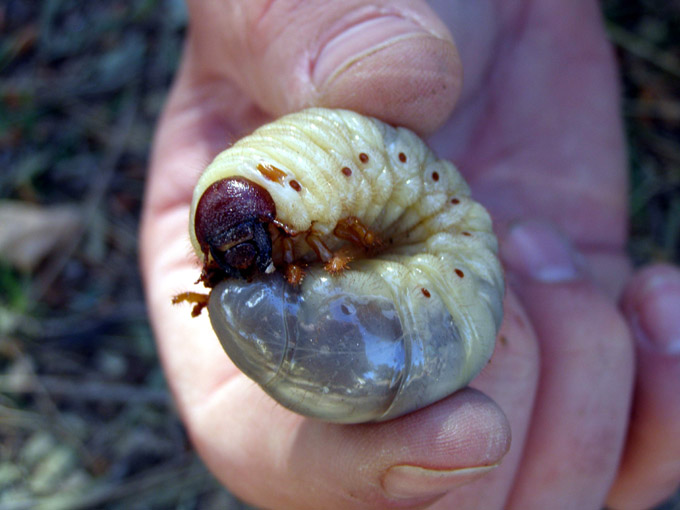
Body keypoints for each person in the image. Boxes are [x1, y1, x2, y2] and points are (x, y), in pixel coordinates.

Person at [140, 1, 680, 508]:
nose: (266, 266)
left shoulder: (348, 194)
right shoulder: (335, 188)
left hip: (440, 281)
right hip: (437, 291)